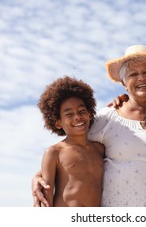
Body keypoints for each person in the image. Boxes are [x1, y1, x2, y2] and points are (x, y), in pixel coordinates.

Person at [32, 45, 146, 207]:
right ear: (123, 83)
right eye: (133, 74)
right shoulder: (107, 119)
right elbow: (74, 151)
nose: (141, 78)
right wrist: (40, 176)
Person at [36, 76, 104, 207]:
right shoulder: (54, 152)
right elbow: (45, 198)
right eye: (69, 114)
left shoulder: (100, 149)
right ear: (58, 123)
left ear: (89, 114)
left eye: (81, 111)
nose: (77, 117)